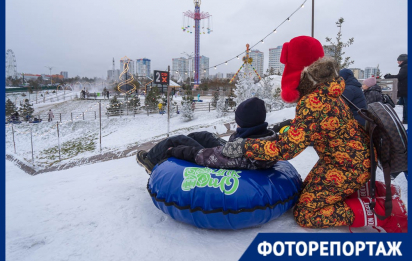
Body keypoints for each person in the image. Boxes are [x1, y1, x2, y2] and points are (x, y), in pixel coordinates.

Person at [173, 36, 406, 232]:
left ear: (301, 70)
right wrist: (288, 127)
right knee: (305, 192)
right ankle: (372, 194)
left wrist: (245, 147)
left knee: (305, 212)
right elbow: (313, 127)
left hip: (346, 166)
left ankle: (378, 212)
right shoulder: (327, 92)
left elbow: (286, 150)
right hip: (348, 160)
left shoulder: (314, 101)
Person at [136, 97, 277, 174]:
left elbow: (210, 157)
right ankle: (188, 140)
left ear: (246, 123)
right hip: (233, 151)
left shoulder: (246, 150)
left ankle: (150, 160)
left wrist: (177, 150)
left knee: (178, 141)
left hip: (229, 158)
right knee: (204, 135)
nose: (236, 123)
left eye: (239, 121)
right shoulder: (264, 137)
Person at [384, 54, 408, 124]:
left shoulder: (406, 66)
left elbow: (400, 76)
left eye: (399, 61)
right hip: (404, 90)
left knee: (406, 105)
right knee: (403, 105)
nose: (398, 62)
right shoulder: (406, 66)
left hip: (406, 90)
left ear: (402, 60)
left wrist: (389, 76)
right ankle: (405, 119)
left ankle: (407, 119)